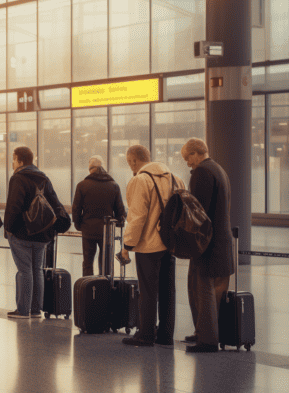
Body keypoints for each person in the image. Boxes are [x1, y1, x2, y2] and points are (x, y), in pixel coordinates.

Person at [119, 144, 183, 347]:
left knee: (147, 291)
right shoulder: (175, 178)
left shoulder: (141, 180)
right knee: (168, 290)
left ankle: (145, 334)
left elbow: (137, 217)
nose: (130, 166)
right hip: (170, 244)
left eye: (130, 162)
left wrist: (127, 246)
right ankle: (165, 335)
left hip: (148, 245)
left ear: (134, 160)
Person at [181, 139, 235, 354]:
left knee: (203, 290)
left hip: (207, 243)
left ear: (195, 154)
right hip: (223, 241)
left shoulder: (202, 172)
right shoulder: (219, 169)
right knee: (217, 290)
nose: (188, 164)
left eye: (188, 159)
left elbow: (197, 213)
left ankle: (207, 339)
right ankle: (205, 332)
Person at [3, 146, 65, 319]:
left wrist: (9, 228)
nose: (12, 163)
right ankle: (36, 310)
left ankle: (23, 310)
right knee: (37, 270)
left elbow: (13, 206)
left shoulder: (18, 178)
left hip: (22, 233)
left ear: (20, 161)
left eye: (13, 159)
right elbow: (54, 202)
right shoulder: (43, 178)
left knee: (25, 271)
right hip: (42, 234)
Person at [71, 155, 127, 277]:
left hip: (88, 229)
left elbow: (76, 209)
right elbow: (120, 211)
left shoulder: (82, 185)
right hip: (106, 231)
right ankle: (104, 287)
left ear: (90, 169)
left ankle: (87, 289)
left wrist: (79, 225)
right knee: (105, 262)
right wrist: (116, 223)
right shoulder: (113, 185)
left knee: (87, 263)